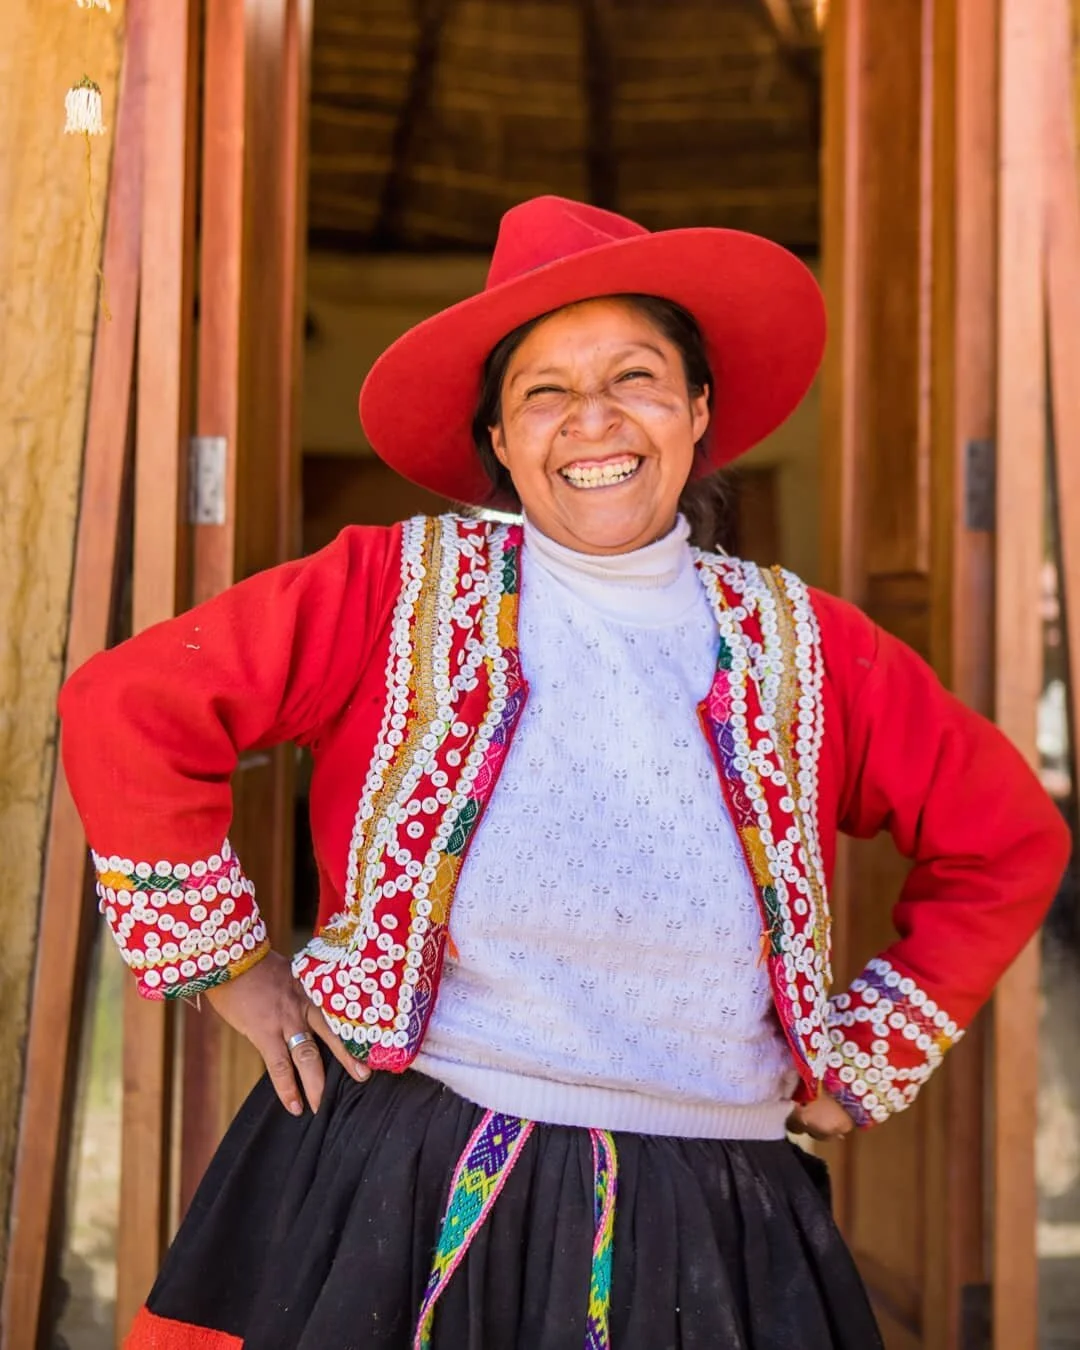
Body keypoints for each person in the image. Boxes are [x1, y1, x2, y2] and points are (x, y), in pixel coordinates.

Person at [59, 195, 1070, 1350]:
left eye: (635, 378)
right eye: (545, 392)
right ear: (499, 438)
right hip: (403, 1174)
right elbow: (127, 706)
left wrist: (865, 1056)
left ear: (697, 411)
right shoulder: (390, 588)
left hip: (710, 1208)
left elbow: (1007, 836)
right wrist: (229, 969)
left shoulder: (809, 646)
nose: (592, 421)